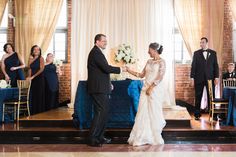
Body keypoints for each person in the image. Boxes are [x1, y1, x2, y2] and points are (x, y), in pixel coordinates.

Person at [87, 34, 125, 147]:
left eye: (106, 41)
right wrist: (121, 69)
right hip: (98, 89)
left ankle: (100, 136)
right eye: (103, 41)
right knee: (100, 113)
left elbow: (101, 72)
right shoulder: (95, 53)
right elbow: (106, 68)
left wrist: (109, 84)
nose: (105, 43)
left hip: (101, 87)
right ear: (97, 42)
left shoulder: (98, 52)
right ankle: (92, 139)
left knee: (103, 113)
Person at [126, 42, 166, 146]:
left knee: (153, 112)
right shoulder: (149, 61)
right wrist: (129, 70)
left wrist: (151, 88)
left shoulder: (162, 62)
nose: (148, 52)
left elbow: (160, 77)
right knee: (142, 112)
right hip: (145, 89)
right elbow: (141, 74)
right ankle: (142, 136)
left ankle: (154, 136)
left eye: (150, 50)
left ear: (155, 50)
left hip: (154, 90)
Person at [190, 37, 219, 120]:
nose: (201, 44)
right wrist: (192, 78)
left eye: (203, 42)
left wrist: (216, 77)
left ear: (207, 43)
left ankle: (212, 114)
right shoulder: (196, 53)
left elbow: (215, 66)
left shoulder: (213, 53)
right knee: (198, 96)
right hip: (198, 78)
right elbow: (193, 66)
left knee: (211, 96)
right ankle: (197, 114)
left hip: (210, 78)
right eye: (200, 43)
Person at [27, 45, 45, 115]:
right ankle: (33, 112)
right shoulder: (30, 59)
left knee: (39, 95)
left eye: (38, 50)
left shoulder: (41, 58)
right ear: (32, 51)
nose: (36, 51)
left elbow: (42, 69)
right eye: (34, 49)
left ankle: (40, 112)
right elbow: (29, 68)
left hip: (39, 79)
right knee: (33, 95)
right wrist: (29, 77)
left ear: (40, 51)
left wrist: (33, 76)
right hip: (32, 79)